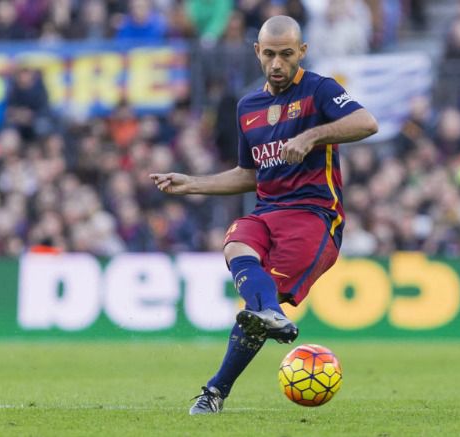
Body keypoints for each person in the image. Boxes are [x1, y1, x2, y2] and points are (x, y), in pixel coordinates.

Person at [149, 15, 378, 415]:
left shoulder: (319, 89)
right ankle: (267, 314)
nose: (277, 64)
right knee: (236, 242)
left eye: (286, 55)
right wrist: (192, 183)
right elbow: (248, 175)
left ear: (301, 52)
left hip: (314, 216)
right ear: (257, 52)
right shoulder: (248, 106)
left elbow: (366, 123)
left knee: (256, 307)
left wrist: (310, 136)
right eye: (269, 54)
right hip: (267, 210)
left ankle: (215, 390)